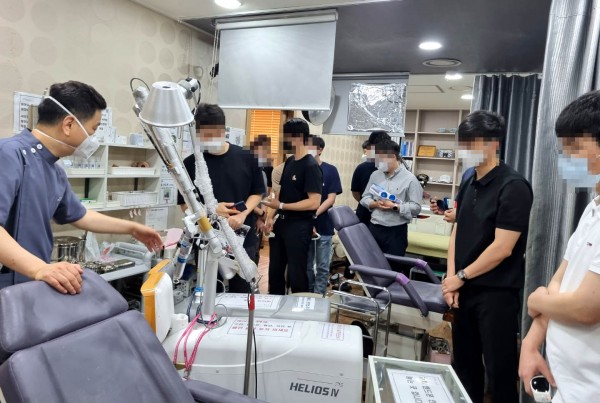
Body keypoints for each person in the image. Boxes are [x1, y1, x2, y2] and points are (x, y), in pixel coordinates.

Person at [0, 81, 163, 294]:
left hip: (31, 285)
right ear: (68, 124)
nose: (92, 139)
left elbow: (81, 216)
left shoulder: (55, 171)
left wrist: (132, 228)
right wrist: (40, 268)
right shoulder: (9, 154)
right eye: (93, 129)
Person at [441, 111, 533, 403]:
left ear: (494, 143)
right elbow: (458, 229)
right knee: (465, 366)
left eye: (473, 142)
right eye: (463, 142)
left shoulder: (513, 186)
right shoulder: (469, 179)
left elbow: (502, 247)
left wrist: (461, 276)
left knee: (499, 372)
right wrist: (450, 278)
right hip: (463, 290)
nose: (466, 149)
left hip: (496, 294)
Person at [519, 91, 600, 402]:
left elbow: (585, 308)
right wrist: (531, 341)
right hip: (566, 382)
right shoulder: (592, 209)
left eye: (575, 147)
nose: (567, 158)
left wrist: (536, 298)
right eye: (564, 149)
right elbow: (559, 282)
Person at [177, 104, 264, 293]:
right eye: (204, 136)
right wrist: (210, 210)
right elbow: (184, 204)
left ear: (224, 130)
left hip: (242, 239)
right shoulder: (191, 164)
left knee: (243, 291)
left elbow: (257, 192)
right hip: (207, 240)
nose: (209, 140)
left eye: (214, 134)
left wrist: (242, 215)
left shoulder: (247, 157)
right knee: (209, 292)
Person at [263, 119, 322, 294]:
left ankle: (299, 307)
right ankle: (275, 305)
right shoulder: (289, 162)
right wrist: (270, 216)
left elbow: (314, 202)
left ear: (298, 137)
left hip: (299, 226)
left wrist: (282, 205)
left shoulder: (311, 166)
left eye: (286, 136)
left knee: (296, 274)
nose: (284, 140)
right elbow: (279, 194)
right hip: (281, 223)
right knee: (275, 271)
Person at [360, 139, 422, 256]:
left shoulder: (410, 179)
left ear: (393, 156)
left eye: (381, 159)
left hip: (396, 231)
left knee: (393, 265)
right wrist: (375, 204)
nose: (378, 163)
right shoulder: (375, 175)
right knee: (372, 263)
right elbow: (365, 198)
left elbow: (416, 207)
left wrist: (394, 206)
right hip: (374, 228)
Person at [306, 136, 342, 295]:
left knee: (322, 265)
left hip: (324, 225)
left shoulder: (330, 170)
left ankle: (319, 295)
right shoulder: (302, 169)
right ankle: (308, 293)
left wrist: (314, 214)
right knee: (306, 265)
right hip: (304, 224)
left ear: (320, 150)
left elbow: (331, 199)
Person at [351, 130, 391, 226]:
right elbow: (356, 192)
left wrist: (367, 202)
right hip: (382, 216)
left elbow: (356, 193)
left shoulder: (362, 167)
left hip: (369, 214)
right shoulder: (363, 168)